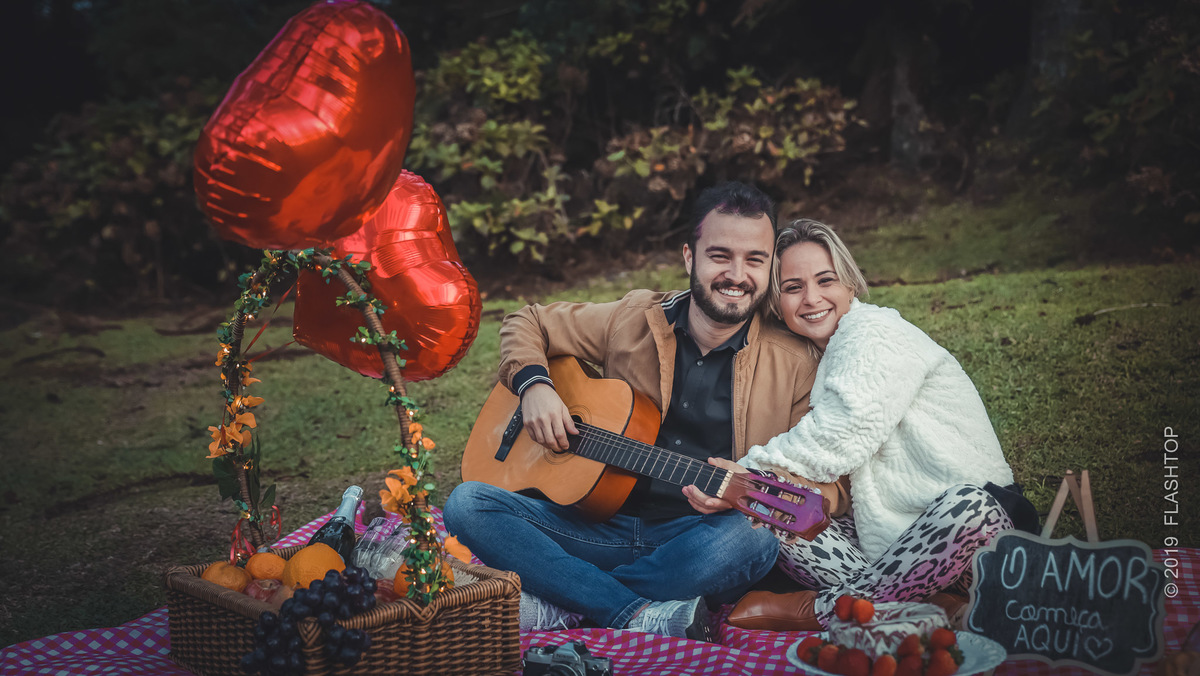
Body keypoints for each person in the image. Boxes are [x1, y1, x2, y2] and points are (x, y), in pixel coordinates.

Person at [443, 183, 846, 640]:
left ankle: (577, 602)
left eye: (754, 259)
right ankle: (634, 610)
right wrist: (535, 386)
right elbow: (528, 320)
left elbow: (827, 481)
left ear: (769, 266)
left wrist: (749, 492)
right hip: (589, 525)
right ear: (689, 257)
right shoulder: (634, 317)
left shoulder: (794, 364)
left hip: (693, 543)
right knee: (468, 502)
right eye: (719, 256)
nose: (737, 274)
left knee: (753, 539)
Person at [687, 219, 1037, 631]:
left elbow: (842, 436)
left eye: (825, 280)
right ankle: (924, 605)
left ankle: (821, 611)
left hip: (973, 536)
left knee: (969, 505)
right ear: (777, 301)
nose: (811, 298)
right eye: (794, 287)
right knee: (771, 507)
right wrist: (759, 487)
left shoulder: (874, 333)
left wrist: (749, 470)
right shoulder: (817, 355)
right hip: (891, 543)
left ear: (850, 283)